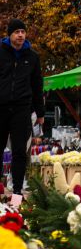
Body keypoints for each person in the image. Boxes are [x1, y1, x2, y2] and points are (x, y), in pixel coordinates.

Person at [0, 19, 44, 195]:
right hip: (1, 108)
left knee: (19, 152)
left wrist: (40, 113)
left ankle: (17, 193)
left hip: (22, 109)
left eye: (22, 32)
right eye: (16, 31)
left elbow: (37, 85)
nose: (20, 35)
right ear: (9, 34)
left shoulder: (32, 57)